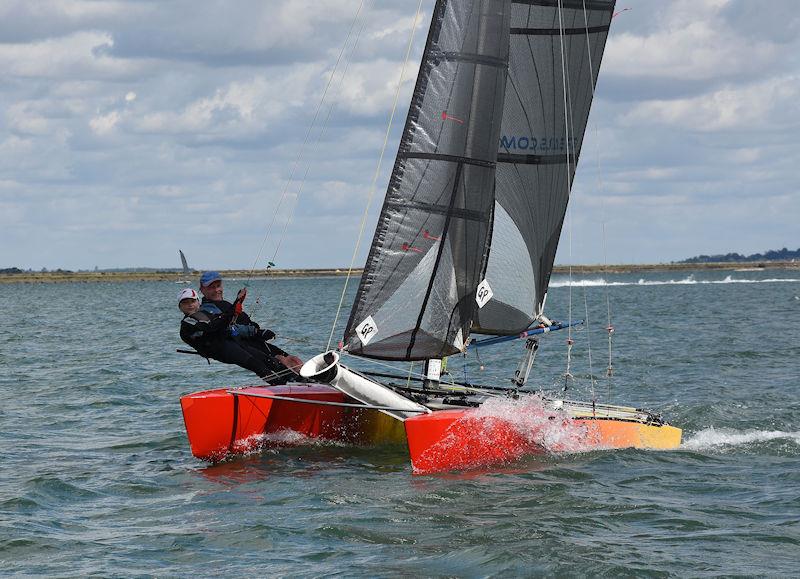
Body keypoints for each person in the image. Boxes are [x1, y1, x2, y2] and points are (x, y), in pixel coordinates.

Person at [178, 274, 303, 384]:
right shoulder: (187, 324)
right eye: (185, 303)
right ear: (180, 307)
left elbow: (230, 327)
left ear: (197, 302)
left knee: (268, 360)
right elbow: (212, 327)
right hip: (222, 350)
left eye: (192, 301)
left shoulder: (205, 315)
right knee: (258, 366)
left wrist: (256, 332)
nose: (189, 305)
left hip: (232, 343)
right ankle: (281, 386)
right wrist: (235, 305)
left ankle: (298, 381)